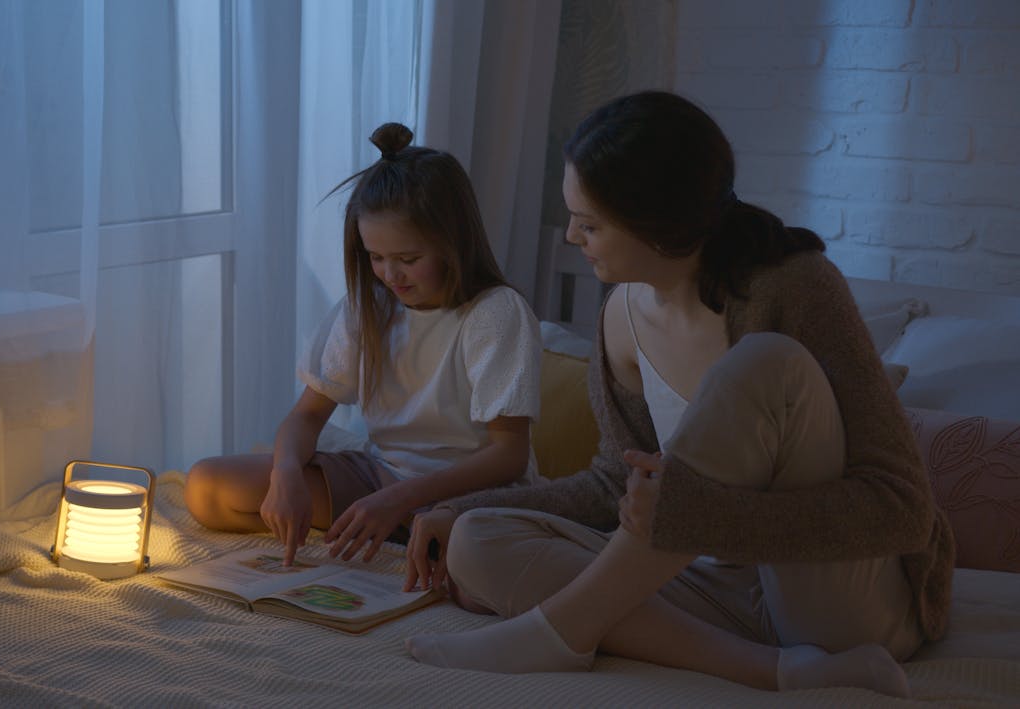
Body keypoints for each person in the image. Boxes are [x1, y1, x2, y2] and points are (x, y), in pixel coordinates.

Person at [403, 91, 953, 698]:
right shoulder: (620, 318)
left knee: (766, 360)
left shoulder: (795, 288)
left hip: (838, 604)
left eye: (590, 224)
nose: (571, 237)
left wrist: (706, 517)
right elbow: (618, 485)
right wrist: (458, 507)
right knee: (479, 538)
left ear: (657, 224)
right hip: (713, 588)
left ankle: (559, 632)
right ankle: (771, 669)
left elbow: (902, 508)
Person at [183, 122, 543, 578]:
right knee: (207, 487)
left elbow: (508, 455)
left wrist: (399, 500)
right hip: (381, 477)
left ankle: (412, 533)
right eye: (376, 258)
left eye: (408, 259)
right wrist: (286, 474)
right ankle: (392, 530)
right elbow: (308, 415)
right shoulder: (370, 306)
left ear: (454, 243)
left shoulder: (494, 313)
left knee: (483, 567)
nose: (391, 275)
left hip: (467, 495)